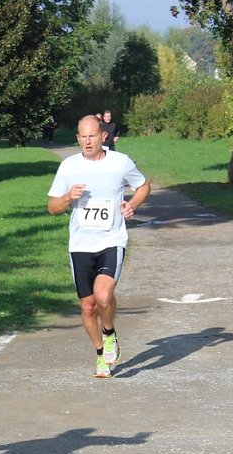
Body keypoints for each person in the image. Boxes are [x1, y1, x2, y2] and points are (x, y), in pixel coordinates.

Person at [46, 115, 151, 378]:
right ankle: (100, 354)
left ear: (103, 136)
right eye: (82, 136)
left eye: (92, 135)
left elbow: (143, 186)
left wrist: (132, 205)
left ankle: (109, 332)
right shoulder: (69, 167)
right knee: (88, 306)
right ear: (77, 138)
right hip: (80, 244)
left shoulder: (120, 162)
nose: (87, 141)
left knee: (103, 296)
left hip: (112, 239)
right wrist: (68, 197)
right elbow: (52, 207)